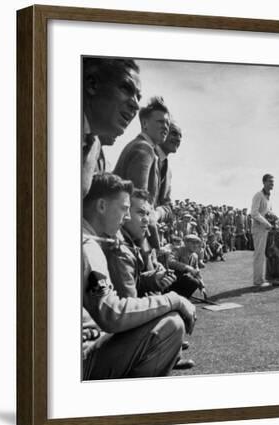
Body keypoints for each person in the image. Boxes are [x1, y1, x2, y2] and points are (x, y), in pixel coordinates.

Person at [82, 173, 197, 379]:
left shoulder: (92, 239)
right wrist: (173, 300)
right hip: (81, 360)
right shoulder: (88, 247)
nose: (126, 217)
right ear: (101, 206)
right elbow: (112, 314)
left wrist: (150, 280)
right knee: (171, 326)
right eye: (124, 209)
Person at [82, 57, 141, 198]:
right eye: (126, 88)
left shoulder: (93, 144)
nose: (136, 104)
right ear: (92, 85)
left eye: (138, 97)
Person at [250, 174, 275, 287]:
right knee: (259, 255)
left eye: (273, 182)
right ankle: (258, 281)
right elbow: (254, 213)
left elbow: (269, 213)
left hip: (266, 230)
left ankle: (261, 278)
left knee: (263, 255)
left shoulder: (268, 197)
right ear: (264, 182)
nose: (272, 184)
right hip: (259, 229)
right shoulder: (258, 195)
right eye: (270, 181)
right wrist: (267, 223)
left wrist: (277, 219)